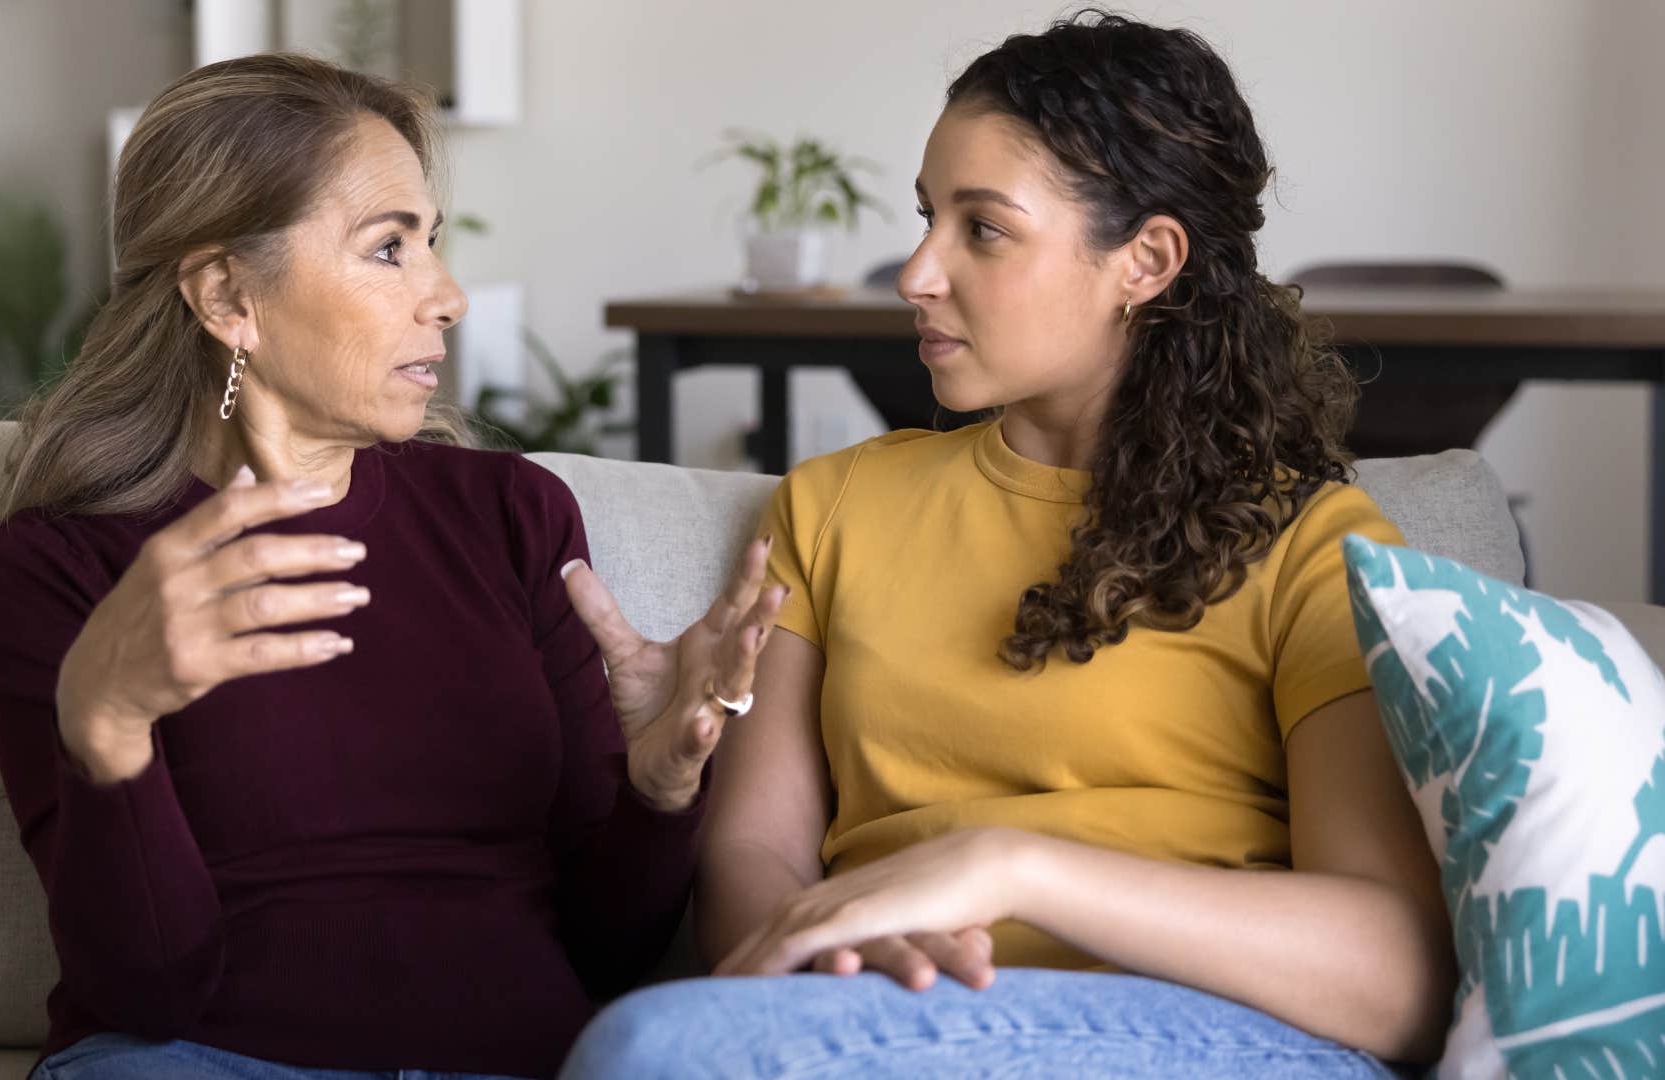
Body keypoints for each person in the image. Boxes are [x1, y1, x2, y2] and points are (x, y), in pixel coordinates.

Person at [559, 12, 1454, 1078]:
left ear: (1146, 261)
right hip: (889, 1016)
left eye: (982, 230)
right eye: (927, 218)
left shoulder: (1312, 543)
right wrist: (826, 948)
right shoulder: (835, 507)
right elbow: (756, 850)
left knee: (653, 1055)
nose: (916, 273)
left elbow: (1393, 980)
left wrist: (1013, 869)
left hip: (1219, 1032)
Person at [0, 53, 783, 1080]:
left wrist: (660, 790)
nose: (447, 297)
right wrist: (109, 727)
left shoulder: (512, 516)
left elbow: (599, 953)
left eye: (431, 245)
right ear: (227, 296)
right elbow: (144, 994)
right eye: (388, 250)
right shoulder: (58, 570)